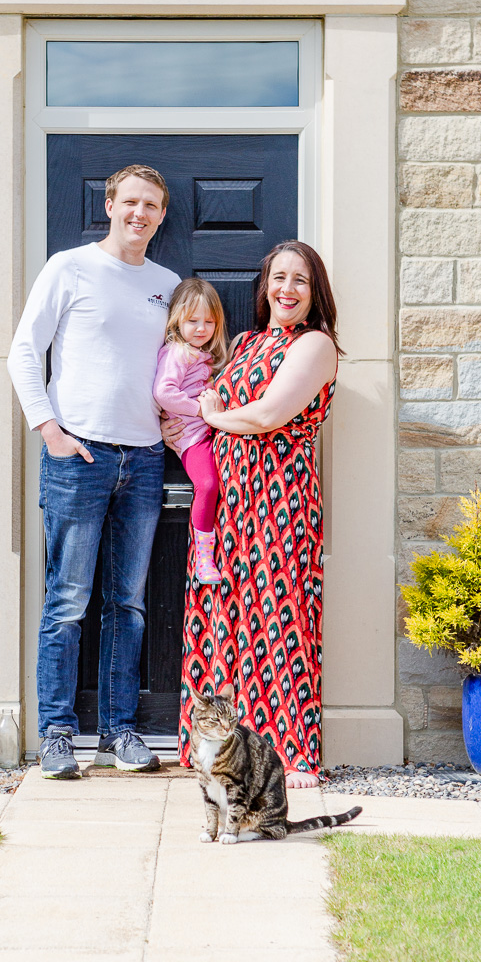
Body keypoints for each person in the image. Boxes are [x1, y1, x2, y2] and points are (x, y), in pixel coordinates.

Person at [8, 164, 180, 779]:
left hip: (143, 459)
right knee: (66, 601)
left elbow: (180, 366)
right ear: (109, 204)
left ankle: (120, 733)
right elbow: (24, 351)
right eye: (130, 201)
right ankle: (57, 734)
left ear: (163, 215)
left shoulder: (168, 284)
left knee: (127, 603)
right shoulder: (69, 267)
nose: (140, 213)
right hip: (78, 455)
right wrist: (49, 431)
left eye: (152, 205)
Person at [174, 241, 342, 789]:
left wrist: (215, 415)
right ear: (264, 285)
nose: (287, 290)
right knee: (225, 616)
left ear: (314, 292)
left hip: (279, 497)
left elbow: (270, 413)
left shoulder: (316, 345)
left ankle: (293, 753)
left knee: (279, 617)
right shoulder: (242, 342)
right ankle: (221, 748)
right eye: (278, 278)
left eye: (300, 281)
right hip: (229, 500)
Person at [152, 278, 228, 585]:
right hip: (193, 436)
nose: (201, 328)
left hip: (209, 433)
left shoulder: (199, 355)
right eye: (192, 321)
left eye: (209, 322)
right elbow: (163, 393)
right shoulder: (177, 353)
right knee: (207, 484)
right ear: (176, 322)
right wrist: (202, 411)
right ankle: (203, 558)